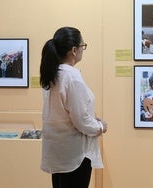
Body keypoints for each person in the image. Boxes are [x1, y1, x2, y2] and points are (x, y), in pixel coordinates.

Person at [39, 26, 107, 188]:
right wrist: (100, 126)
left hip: (59, 154)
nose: (83, 50)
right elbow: (81, 121)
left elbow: (68, 113)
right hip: (74, 157)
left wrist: (90, 118)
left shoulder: (53, 75)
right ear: (74, 50)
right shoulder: (71, 76)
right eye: (83, 46)